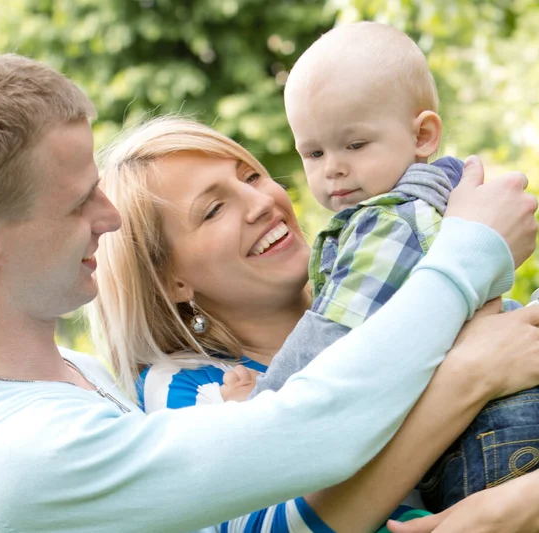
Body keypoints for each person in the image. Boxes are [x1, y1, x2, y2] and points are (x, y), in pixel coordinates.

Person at [0, 53, 536, 533]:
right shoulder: (17, 455)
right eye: (78, 203)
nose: (110, 219)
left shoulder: (74, 374)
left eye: (251, 175)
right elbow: (314, 434)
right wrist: (469, 264)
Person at [90, 116, 539, 532]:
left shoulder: (384, 285)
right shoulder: (191, 389)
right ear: (171, 280)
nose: (260, 202)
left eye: (250, 176)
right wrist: (470, 375)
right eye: (213, 210)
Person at [206, 21, 536, 512]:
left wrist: (261, 408)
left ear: (423, 135)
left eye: (354, 145)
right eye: (313, 152)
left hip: (487, 436)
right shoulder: (446, 198)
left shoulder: (389, 223)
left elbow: (336, 336)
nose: (332, 168)